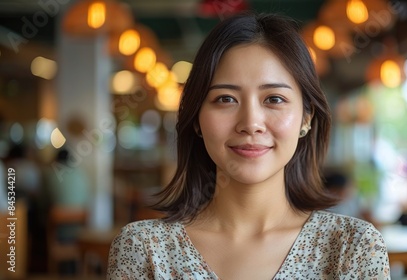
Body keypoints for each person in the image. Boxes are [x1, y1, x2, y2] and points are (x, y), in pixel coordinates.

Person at [107, 12, 390, 279]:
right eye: (226, 99)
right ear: (196, 120)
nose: (251, 123)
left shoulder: (353, 248)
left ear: (306, 118)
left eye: (274, 99)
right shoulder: (144, 249)